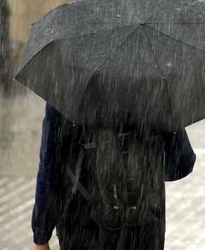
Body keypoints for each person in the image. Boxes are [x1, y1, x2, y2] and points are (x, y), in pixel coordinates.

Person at [32, 104, 196, 249]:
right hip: (144, 224)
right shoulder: (154, 86)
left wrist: (41, 234)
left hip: (83, 224)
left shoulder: (67, 87)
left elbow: (50, 166)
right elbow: (182, 163)